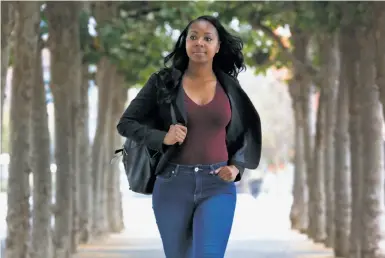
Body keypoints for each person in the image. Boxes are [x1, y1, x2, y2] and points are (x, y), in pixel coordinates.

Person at [117, 15, 262, 258]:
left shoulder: (230, 88)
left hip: (217, 185)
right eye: (193, 37)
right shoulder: (162, 82)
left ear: (217, 47)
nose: (199, 43)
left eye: (207, 38)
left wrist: (236, 166)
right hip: (172, 184)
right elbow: (126, 124)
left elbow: (246, 130)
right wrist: (162, 137)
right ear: (185, 42)